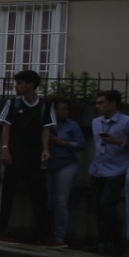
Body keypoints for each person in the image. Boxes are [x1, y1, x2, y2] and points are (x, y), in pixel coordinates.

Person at [0, 70, 55, 245]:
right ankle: (0, 230)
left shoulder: (44, 105)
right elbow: (6, 126)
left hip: (34, 155)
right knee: (7, 193)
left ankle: (45, 235)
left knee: (40, 195)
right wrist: (5, 149)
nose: (16, 86)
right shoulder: (13, 103)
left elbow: (46, 128)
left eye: (19, 83)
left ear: (30, 85)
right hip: (15, 154)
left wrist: (45, 149)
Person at [89, 90, 129, 256]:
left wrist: (120, 142)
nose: (98, 106)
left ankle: (114, 242)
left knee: (106, 205)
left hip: (117, 170)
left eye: (102, 103)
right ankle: (103, 242)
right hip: (98, 169)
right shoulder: (96, 122)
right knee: (98, 207)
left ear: (113, 103)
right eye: (97, 103)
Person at [46, 97, 84, 248]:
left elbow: (81, 144)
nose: (66, 112)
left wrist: (61, 142)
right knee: (46, 201)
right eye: (63, 109)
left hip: (65, 164)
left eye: (68, 110)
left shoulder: (71, 125)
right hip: (47, 164)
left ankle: (59, 236)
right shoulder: (46, 124)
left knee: (60, 201)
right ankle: (46, 234)